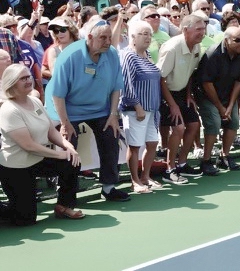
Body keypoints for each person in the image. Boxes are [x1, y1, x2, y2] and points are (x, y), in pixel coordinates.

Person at [45, 19, 130, 202]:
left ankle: (109, 187)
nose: (108, 41)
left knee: (110, 135)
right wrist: (65, 123)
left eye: (109, 37)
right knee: (68, 144)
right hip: (67, 108)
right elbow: (57, 94)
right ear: (90, 37)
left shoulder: (112, 53)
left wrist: (113, 114)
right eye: (103, 38)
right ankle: (67, 190)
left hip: (99, 108)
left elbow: (116, 87)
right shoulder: (69, 56)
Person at [0, 64, 83, 225]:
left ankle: (64, 206)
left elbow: (51, 131)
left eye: (29, 76)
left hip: (38, 160)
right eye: (22, 78)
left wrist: (68, 146)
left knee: (71, 162)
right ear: (11, 83)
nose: (28, 80)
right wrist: (59, 153)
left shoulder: (35, 101)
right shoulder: (9, 110)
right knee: (25, 219)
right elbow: (28, 145)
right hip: (16, 168)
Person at [157, 14, 207, 183]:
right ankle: (169, 169)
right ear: (186, 30)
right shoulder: (171, 48)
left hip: (182, 93)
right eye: (198, 29)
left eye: (203, 28)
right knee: (179, 128)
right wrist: (172, 105)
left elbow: (191, 73)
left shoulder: (197, 47)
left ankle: (182, 163)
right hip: (165, 93)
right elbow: (160, 79)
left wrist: (188, 95)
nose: (203, 32)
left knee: (194, 124)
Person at [119, 21, 163, 193]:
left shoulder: (147, 55)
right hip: (136, 110)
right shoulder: (127, 55)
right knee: (135, 145)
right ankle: (135, 181)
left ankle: (146, 177)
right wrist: (137, 106)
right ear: (133, 37)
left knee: (152, 143)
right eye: (143, 34)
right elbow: (126, 83)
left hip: (152, 109)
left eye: (149, 34)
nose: (148, 37)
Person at [197, 26, 240, 171]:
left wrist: (231, 106)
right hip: (208, 96)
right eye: (237, 40)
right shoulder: (213, 54)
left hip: (227, 96)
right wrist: (220, 107)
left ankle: (224, 157)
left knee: (234, 121)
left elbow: (239, 81)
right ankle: (206, 161)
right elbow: (206, 83)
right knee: (214, 122)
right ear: (226, 41)